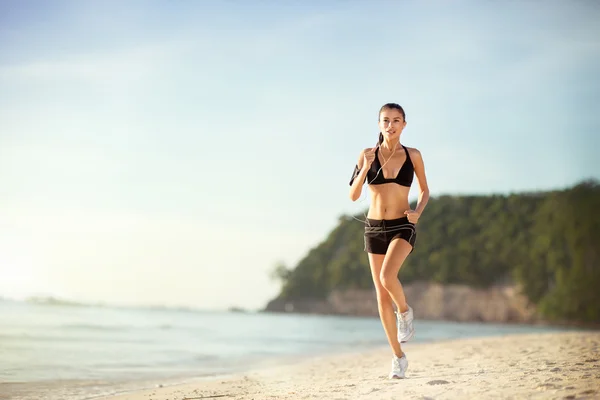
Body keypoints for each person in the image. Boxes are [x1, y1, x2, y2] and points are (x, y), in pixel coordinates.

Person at [348, 103, 430, 379]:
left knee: (387, 277)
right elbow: (353, 195)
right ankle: (398, 356)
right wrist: (365, 168)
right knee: (381, 296)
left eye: (396, 120)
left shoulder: (413, 155)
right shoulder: (366, 154)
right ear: (379, 123)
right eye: (385, 120)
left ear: (404, 125)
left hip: (402, 225)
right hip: (373, 228)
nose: (390, 125)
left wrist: (417, 212)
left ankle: (404, 312)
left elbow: (425, 190)